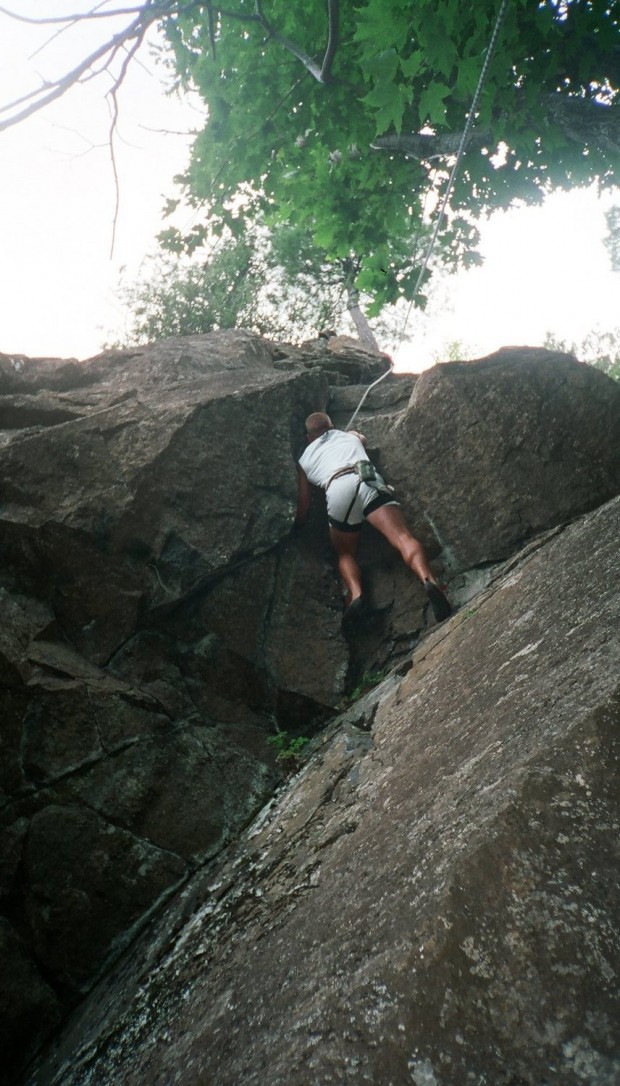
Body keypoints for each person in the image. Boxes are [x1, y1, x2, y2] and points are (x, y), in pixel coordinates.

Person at [295, 412, 451, 628]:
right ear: (332, 425)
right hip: (366, 477)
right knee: (403, 538)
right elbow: (363, 439)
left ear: (308, 436)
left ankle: (356, 594)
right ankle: (428, 580)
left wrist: (298, 525)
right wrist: (348, 434)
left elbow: (303, 505)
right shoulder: (348, 436)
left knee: (345, 552)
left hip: (337, 487)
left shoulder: (303, 460)